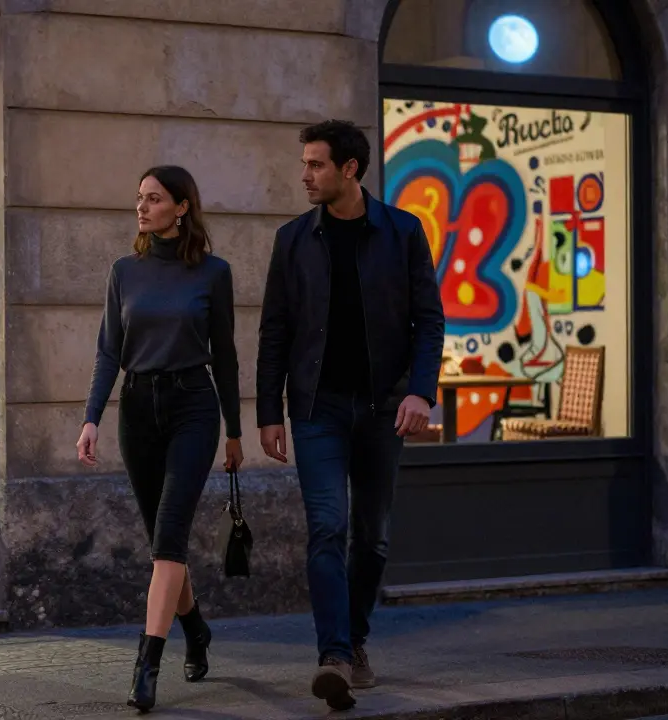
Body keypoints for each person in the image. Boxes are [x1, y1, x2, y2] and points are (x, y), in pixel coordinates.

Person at [255, 120, 445, 710]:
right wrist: (269, 412)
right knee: (327, 527)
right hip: (316, 407)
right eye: (305, 163)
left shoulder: (403, 231)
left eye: (316, 164)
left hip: (384, 407)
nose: (305, 174)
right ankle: (333, 655)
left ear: (350, 170)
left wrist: (421, 391)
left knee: (374, 538)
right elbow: (275, 330)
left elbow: (429, 319)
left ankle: (356, 638)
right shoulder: (293, 239)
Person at [77, 165, 245, 712]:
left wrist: (235, 433)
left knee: (169, 538)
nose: (142, 208)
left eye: (153, 199)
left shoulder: (213, 274)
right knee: (162, 542)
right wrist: (91, 418)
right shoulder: (125, 271)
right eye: (139, 199)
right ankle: (195, 628)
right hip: (138, 410)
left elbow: (225, 355)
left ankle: (147, 663)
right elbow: (109, 350)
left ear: (181, 207)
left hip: (194, 407)